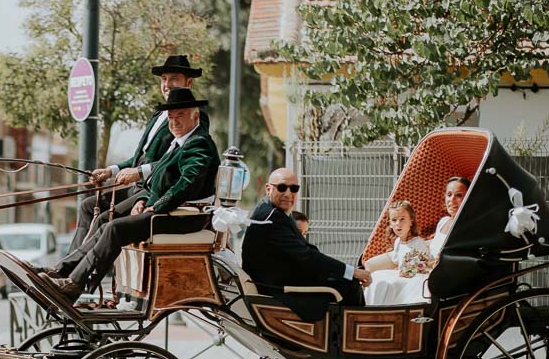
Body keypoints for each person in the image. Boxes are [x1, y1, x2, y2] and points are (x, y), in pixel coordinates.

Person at [42, 87, 217, 302]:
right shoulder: (178, 143)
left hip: (186, 216)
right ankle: (64, 271)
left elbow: (187, 184)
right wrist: (145, 201)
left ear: (195, 115)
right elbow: (159, 183)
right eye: (171, 117)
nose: (175, 122)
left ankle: (75, 284)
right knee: (107, 224)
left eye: (180, 116)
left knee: (115, 228)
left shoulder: (199, 143)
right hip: (171, 210)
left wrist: (157, 206)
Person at [50, 54, 207, 275]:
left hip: (150, 186)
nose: (167, 85)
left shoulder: (194, 118)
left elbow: (176, 163)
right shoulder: (159, 114)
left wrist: (143, 183)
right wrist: (111, 170)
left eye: (173, 79)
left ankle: (76, 272)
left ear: (188, 82)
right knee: (88, 206)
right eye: (164, 79)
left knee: (108, 220)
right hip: (141, 182)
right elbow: (140, 156)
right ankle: (69, 265)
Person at [241, 168, 371, 321]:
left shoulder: (271, 211)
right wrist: (353, 272)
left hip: (283, 277)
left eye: (294, 188)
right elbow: (307, 256)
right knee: (350, 283)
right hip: (278, 287)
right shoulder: (271, 217)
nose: (288, 194)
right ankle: (354, 336)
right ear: (269, 189)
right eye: (282, 187)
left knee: (340, 277)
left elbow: (305, 252)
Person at [363, 201, 432, 305]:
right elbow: (397, 261)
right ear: (390, 224)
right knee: (376, 276)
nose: (398, 224)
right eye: (394, 220)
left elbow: (423, 266)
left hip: (415, 280)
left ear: (411, 221)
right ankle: (371, 307)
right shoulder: (398, 242)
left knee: (388, 284)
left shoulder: (418, 243)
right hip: (402, 274)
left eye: (402, 219)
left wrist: (408, 271)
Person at [428, 176, 470, 259]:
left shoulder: (467, 227)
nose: (452, 199)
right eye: (449, 194)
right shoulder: (443, 221)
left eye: (458, 195)